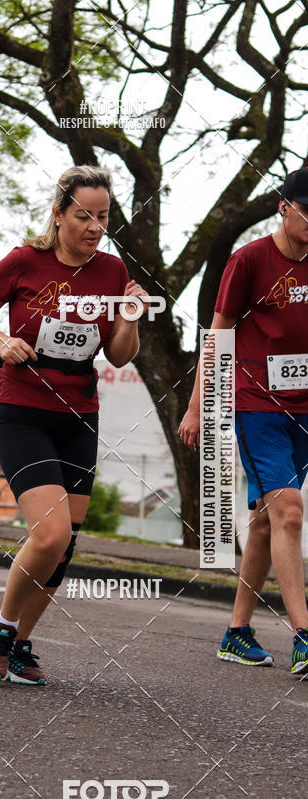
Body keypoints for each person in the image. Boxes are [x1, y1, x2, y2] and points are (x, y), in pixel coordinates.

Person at [0, 165, 148, 685]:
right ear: (59, 214)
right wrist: (1, 342)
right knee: (50, 535)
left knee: (65, 546)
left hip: (79, 416)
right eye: (84, 215)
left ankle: (20, 644)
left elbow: (120, 355)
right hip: (23, 411)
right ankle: (1, 627)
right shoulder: (25, 260)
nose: (95, 226)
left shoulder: (112, 271)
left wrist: (130, 317)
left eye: (103, 217)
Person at [179, 168, 308, 673]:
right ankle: (304, 635)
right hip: (257, 405)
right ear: (284, 207)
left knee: (265, 521)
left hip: (305, 410)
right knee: (289, 512)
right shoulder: (249, 260)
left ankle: (236, 632)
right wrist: (196, 406)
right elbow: (219, 336)